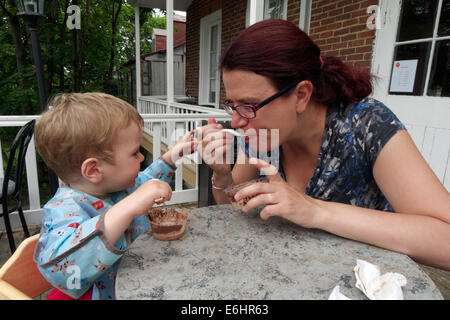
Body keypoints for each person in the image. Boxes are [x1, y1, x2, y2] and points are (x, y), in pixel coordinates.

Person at [196, 19, 450, 271]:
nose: (236, 120)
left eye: (249, 105)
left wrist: (315, 211)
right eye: (232, 104)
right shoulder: (264, 134)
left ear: (301, 95)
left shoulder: (366, 124)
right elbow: (234, 206)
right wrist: (222, 174)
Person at [33, 92, 195, 299]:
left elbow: (145, 180)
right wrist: (128, 207)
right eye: (134, 152)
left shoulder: (118, 185)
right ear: (94, 170)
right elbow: (62, 269)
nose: (142, 156)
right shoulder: (63, 210)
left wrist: (172, 157)